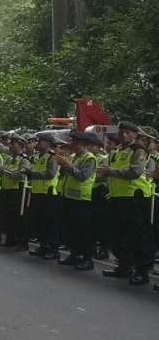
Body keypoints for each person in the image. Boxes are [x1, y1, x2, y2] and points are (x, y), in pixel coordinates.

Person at [98, 121, 152, 285]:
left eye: (128, 132)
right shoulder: (116, 151)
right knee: (114, 235)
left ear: (135, 134)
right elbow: (110, 172)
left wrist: (111, 171)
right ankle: (124, 266)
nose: (124, 135)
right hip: (117, 197)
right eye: (122, 132)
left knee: (136, 236)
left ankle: (142, 272)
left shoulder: (138, 150)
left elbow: (135, 172)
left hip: (134, 197)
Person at [54, 130, 99, 270]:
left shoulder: (89, 158)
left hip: (82, 199)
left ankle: (87, 258)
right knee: (71, 229)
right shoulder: (74, 157)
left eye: (75, 142)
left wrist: (67, 164)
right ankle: (74, 254)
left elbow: (82, 176)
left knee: (83, 231)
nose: (72, 144)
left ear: (83, 144)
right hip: (69, 197)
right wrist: (64, 164)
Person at [26, 133, 62, 259]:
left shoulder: (52, 157)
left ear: (47, 143)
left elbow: (50, 174)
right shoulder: (38, 157)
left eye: (40, 141)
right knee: (39, 221)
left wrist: (33, 173)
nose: (37, 143)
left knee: (50, 223)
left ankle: (53, 249)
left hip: (49, 194)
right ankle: (43, 245)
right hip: (37, 193)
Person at [0, 134, 30, 249]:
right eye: (11, 144)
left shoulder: (24, 159)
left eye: (14, 144)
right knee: (8, 215)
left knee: (19, 217)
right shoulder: (9, 158)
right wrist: (0, 171)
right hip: (7, 189)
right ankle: (10, 239)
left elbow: (20, 175)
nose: (11, 146)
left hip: (18, 191)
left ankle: (22, 242)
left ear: (20, 145)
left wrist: (5, 171)